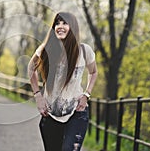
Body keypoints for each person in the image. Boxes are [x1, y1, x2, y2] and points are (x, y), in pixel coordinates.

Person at [28, 12, 98, 151]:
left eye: (65, 23)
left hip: (76, 113)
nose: (60, 26)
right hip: (50, 115)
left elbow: (93, 72)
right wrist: (38, 96)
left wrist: (87, 95)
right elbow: (31, 68)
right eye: (57, 23)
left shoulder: (84, 51)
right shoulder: (45, 49)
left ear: (73, 27)